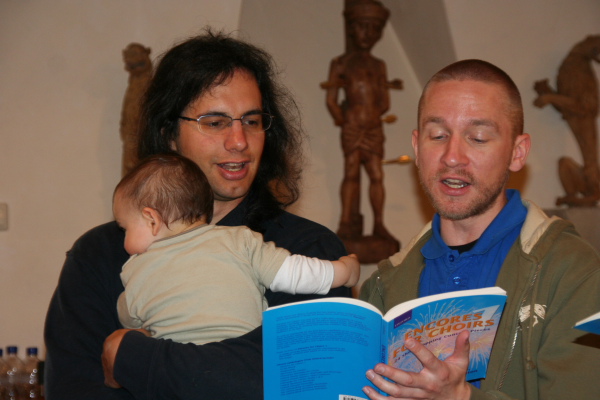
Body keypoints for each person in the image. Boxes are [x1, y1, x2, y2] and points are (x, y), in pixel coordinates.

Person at [44, 30, 352, 400]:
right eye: (215, 122)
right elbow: (76, 388)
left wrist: (133, 357)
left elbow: (301, 380)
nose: (239, 141)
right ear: (169, 134)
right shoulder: (100, 254)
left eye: (251, 121)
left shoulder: (308, 249)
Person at [359, 59, 600, 399]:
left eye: (478, 137)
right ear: (416, 147)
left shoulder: (572, 272)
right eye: (438, 135)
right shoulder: (383, 286)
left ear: (517, 152)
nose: (452, 156)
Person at [114, 154, 359, 345]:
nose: (124, 242)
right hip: (242, 360)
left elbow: (129, 318)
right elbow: (295, 273)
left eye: (125, 229)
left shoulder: (135, 270)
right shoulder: (239, 240)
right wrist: (343, 271)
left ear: (152, 220)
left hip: (175, 372)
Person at [324, 0, 401, 243]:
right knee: (351, 173)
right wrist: (345, 119)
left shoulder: (379, 65)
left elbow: (384, 102)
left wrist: (371, 116)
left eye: (374, 29)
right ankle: (346, 221)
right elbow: (331, 100)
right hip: (353, 126)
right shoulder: (341, 63)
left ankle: (379, 224)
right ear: (351, 28)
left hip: (373, 127)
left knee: (377, 175)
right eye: (362, 26)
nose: (367, 34)